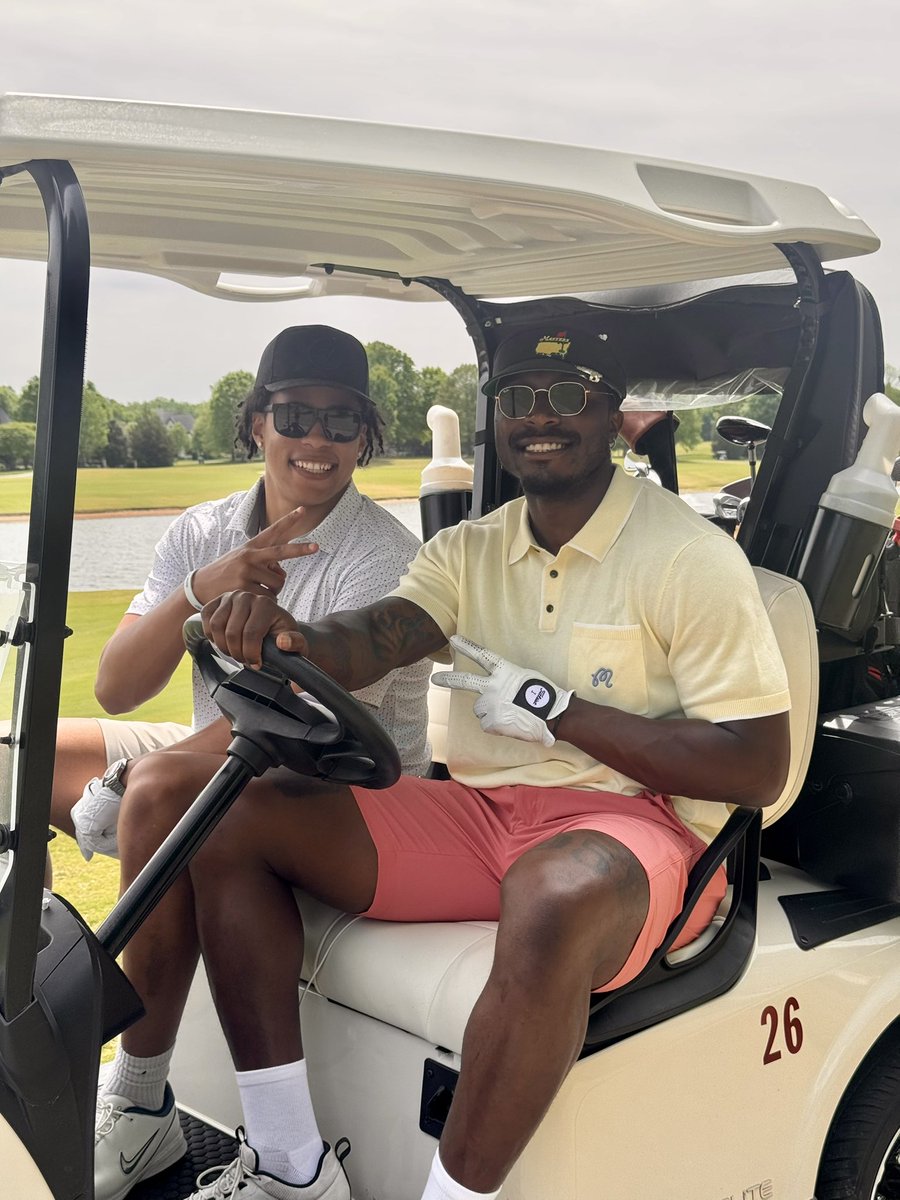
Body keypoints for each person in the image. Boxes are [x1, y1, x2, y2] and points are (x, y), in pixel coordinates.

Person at [102, 325, 791, 1200]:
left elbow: (757, 767)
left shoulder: (689, 557)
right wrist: (291, 635)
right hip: (478, 812)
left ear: (613, 415)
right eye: (517, 399)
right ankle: (287, 1163)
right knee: (226, 811)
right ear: (495, 419)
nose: (540, 418)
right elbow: (375, 637)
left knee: (553, 891)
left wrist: (559, 711)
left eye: (568, 395)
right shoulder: (470, 549)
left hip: (630, 824)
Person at [48, 324, 431, 871]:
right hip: (227, 753)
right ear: (259, 425)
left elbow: (295, 725)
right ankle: (27, 941)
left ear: (362, 437)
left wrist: (127, 776)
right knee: (20, 757)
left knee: (163, 789)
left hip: (352, 789)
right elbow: (116, 688)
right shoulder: (199, 531)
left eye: (342, 420)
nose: (318, 439)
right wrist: (200, 588)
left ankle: (131, 957)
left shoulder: (386, 556)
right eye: (294, 416)